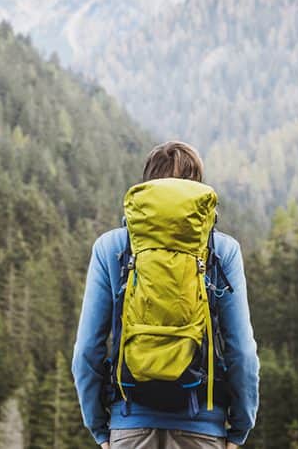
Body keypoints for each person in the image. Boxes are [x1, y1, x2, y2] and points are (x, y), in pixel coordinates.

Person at [72, 141, 260, 448]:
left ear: (147, 187)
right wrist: (238, 431)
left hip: (129, 426)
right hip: (203, 430)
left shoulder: (110, 248)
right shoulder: (222, 251)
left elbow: (86, 352)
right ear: (196, 190)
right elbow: (242, 353)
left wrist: (101, 431)